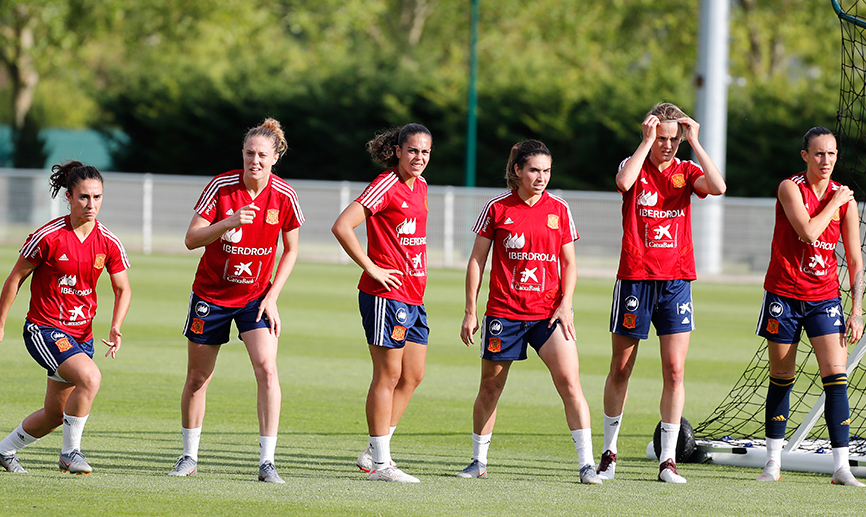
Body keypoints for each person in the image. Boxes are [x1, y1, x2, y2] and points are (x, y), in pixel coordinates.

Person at [457, 140, 602, 484]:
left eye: (547, 171)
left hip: (548, 315)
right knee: (490, 389)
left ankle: (587, 465)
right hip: (504, 314)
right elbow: (477, 260)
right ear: (518, 170)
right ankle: (478, 461)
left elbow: (569, 263)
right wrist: (470, 311)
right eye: (534, 170)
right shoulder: (497, 208)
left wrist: (566, 304)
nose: (541, 177)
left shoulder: (560, 209)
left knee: (570, 383)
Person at [168, 118, 304, 483]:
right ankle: (189, 456)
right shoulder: (220, 187)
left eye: (262, 155)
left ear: (275, 158)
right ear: (241, 155)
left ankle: (267, 462)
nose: (254, 161)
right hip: (210, 295)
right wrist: (227, 222)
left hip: (256, 298)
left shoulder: (284, 195)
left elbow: (290, 250)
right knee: (198, 377)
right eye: (248, 153)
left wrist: (273, 296)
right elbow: (192, 239)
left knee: (267, 369)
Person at [597, 102, 726, 483]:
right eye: (662, 138)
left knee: (675, 369)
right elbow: (623, 182)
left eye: (674, 139)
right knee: (621, 368)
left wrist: (696, 142)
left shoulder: (687, 172)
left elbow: (718, 187)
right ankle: (609, 453)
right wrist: (645, 141)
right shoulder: (633, 163)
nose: (668, 145)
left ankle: (667, 460)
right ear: (651, 134)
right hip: (636, 278)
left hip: (676, 281)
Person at [0, 161, 131, 475]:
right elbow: (15, 278)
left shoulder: (109, 242)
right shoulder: (47, 236)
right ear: (69, 197)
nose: (91, 204)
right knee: (90, 378)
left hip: (81, 337)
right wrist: (1, 321)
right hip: (44, 328)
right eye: (84, 197)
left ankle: (3, 450)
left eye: (97, 197)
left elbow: (122, 288)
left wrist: (116, 325)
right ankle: (70, 454)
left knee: (55, 414)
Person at [754, 126, 864, 486]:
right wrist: (834, 201)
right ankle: (773, 462)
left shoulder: (844, 200)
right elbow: (809, 232)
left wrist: (856, 309)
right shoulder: (791, 188)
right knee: (782, 378)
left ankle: (841, 467)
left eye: (831, 154)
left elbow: (855, 259)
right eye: (819, 153)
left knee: (836, 377)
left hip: (824, 299)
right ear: (805, 156)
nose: (826, 160)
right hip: (784, 296)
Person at [331, 123, 432, 483]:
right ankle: (383, 465)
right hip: (384, 295)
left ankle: (375, 449)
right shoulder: (385, 184)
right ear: (399, 151)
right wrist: (372, 267)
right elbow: (343, 225)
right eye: (413, 151)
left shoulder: (419, 186)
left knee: (413, 375)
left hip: (413, 295)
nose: (419, 158)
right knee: (387, 375)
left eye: (425, 152)